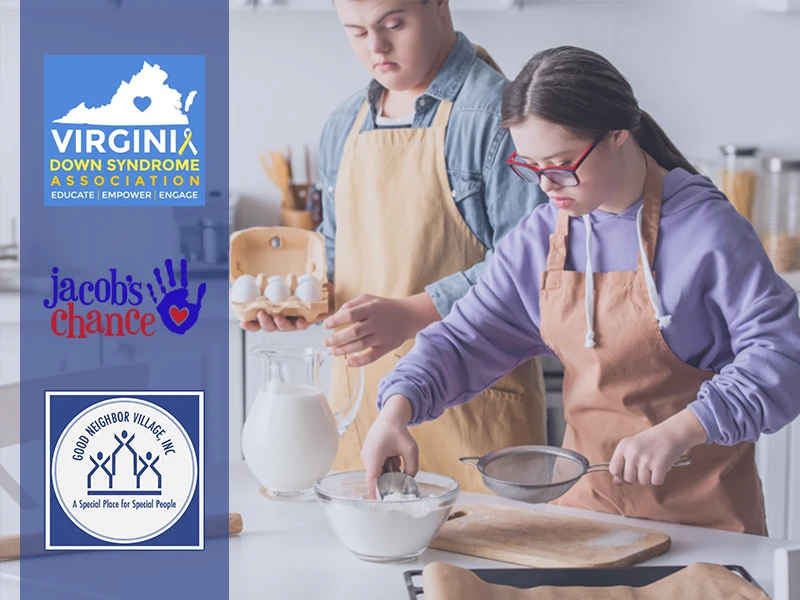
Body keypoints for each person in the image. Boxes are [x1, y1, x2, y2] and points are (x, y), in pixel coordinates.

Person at [361, 46, 800, 535]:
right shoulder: (540, 239)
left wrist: (684, 428)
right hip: (585, 521)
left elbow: (783, 357)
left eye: (562, 163)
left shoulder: (707, 232)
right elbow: (465, 339)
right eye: (531, 167)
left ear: (617, 134)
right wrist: (397, 409)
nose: (547, 186)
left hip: (706, 528)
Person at [240, 0, 550, 492]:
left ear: (440, 6)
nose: (376, 47)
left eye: (393, 24)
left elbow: (532, 271)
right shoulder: (344, 123)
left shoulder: (495, 115)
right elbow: (338, 254)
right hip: (360, 415)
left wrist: (410, 314)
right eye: (357, 32)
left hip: (473, 415)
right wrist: (305, 303)